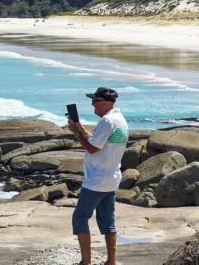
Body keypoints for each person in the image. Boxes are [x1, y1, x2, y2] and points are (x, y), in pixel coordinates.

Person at [68, 87, 128, 265]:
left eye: (95, 101)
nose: (92, 104)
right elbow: (96, 140)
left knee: (80, 217)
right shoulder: (119, 119)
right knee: (107, 220)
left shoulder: (107, 121)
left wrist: (76, 133)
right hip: (111, 178)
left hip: (96, 180)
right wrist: (81, 128)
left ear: (105, 103)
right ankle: (112, 261)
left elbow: (92, 148)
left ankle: (86, 262)